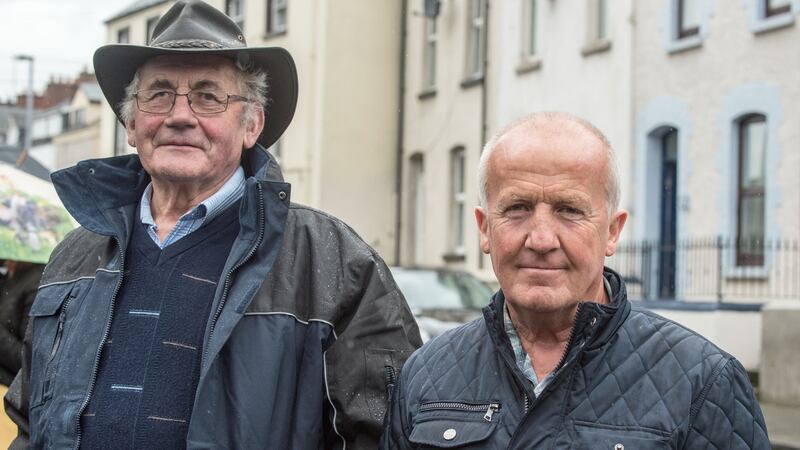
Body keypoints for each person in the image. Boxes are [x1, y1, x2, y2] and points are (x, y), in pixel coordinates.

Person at [4, 1, 421, 448]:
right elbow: (32, 421)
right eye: (159, 93)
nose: (180, 115)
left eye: (208, 96)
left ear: (251, 125)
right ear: (130, 123)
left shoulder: (335, 261)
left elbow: (386, 433)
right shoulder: (76, 254)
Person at [381, 112, 769, 449]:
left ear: (612, 232)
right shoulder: (426, 374)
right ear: (485, 229)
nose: (542, 240)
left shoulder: (703, 383)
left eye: (569, 210)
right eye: (518, 208)